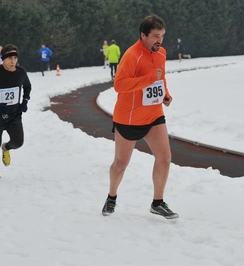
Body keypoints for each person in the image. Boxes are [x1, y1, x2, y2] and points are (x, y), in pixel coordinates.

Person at [101, 14, 178, 219]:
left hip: (153, 116)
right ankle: (111, 196)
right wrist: (149, 78)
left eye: (162, 35)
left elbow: (161, 78)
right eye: (155, 35)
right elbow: (119, 85)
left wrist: (165, 94)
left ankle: (158, 202)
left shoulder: (161, 53)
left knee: (165, 158)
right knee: (120, 164)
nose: (159, 40)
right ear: (143, 35)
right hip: (129, 118)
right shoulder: (132, 55)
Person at [0, 44, 32, 180]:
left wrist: (25, 101)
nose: (13, 61)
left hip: (14, 115)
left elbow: (27, 86)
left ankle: (7, 148)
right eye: (9, 58)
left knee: (18, 142)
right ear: (2, 59)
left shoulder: (21, 72)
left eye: (15, 58)